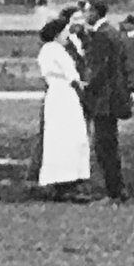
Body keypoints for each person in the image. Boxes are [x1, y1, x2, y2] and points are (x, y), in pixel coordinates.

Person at [75, 1, 132, 203]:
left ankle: (114, 191)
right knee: (109, 145)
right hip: (112, 95)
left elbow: (99, 67)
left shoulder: (102, 35)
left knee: (104, 146)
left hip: (104, 98)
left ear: (95, 13)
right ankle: (117, 189)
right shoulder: (111, 32)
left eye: (87, 11)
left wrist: (87, 87)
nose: (84, 14)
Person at [33, 13, 90, 202]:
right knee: (70, 137)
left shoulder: (46, 51)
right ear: (57, 34)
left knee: (57, 138)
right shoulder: (57, 51)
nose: (67, 35)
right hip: (64, 96)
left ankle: (59, 181)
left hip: (55, 96)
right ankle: (67, 182)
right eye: (65, 32)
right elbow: (72, 76)